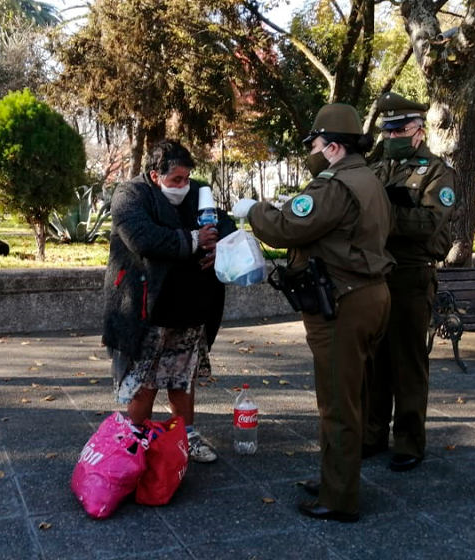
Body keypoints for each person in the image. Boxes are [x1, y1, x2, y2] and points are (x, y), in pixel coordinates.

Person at [232, 104, 394, 522]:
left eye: (317, 145)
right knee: (352, 395)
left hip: (344, 303)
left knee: (338, 404)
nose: (314, 152)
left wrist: (253, 210)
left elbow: (284, 227)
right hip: (372, 295)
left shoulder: (336, 185)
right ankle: (334, 477)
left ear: (334, 147)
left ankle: (339, 498)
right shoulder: (369, 179)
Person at [102, 139, 236, 464]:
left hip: (190, 309)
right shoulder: (130, 195)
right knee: (144, 381)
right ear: (154, 174)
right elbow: (142, 238)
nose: (183, 186)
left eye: (187, 178)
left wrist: (223, 245)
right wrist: (192, 240)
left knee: (183, 378)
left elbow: (225, 224)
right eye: (176, 179)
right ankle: (133, 443)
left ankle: (184, 436)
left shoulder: (198, 193)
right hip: (147, 310)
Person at [364, 92, 456, 472]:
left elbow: (429, 222)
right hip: (375, 273)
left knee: (408, 361)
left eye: (400, 129)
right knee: (375, 359)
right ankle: (372, 433)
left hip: (411, 274)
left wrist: (383, 214)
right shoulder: (378, 168)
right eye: (388, 130)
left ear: (419, 131)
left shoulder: (437, 172)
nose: (392, 136)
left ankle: (409, 440)